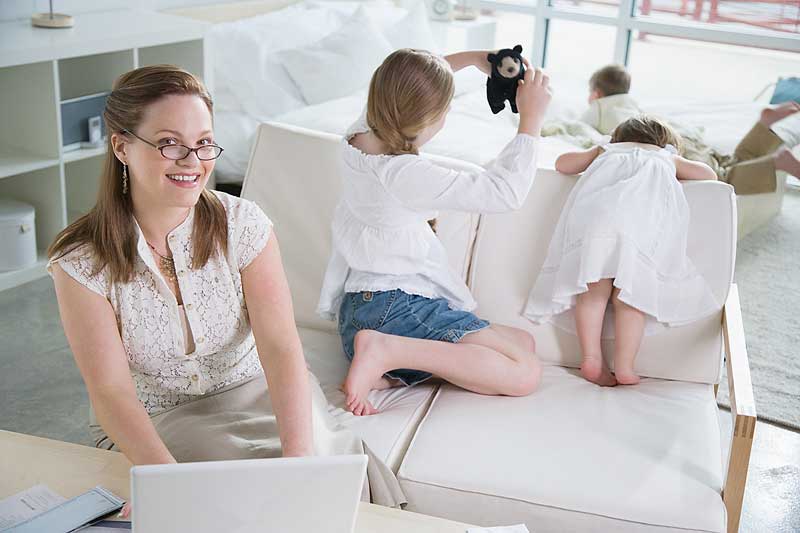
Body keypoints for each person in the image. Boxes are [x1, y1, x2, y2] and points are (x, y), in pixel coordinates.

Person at [48, 65, 403, 513]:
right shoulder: (80, 262)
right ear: (122, 146)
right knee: (231, 489)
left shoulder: (244, 225)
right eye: (169, 143)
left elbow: (280, 347)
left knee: (324, 471)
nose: (192, 161)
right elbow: (111, 392)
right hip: (163, 416)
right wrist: (166, 482)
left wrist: (300, 461)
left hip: (257, 388)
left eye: (202, 143)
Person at [317, 49, 552, 416]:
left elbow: (406, 78)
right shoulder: (404, 174)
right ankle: (386, 352)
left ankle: (389, 367)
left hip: (360, 312)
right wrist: (531, 121)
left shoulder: (357, 138)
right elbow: (502, 192)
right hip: (393, 307)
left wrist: (477, 59)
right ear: (433, 119)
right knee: (525, 372)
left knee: (522, 342)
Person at [524, 115, 719, 386]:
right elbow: (709, 175)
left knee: (592, 294)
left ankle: (591, 359)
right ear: (665, 143)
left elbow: (562, 164)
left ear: (617, 137)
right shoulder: (665, 157)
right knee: (631, 300)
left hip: (594, 228)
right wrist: (673, 162)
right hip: (640, 233)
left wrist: (595, 149)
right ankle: (625, 366)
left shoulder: (607, 151)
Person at [580, 64, 800, 195]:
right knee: (728, 160)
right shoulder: (632, 103)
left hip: (666, 145)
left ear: (597, 94)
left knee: (723, 178)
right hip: (678, 136)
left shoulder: (597, 108)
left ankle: (778, 162)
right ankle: (763, 127)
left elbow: (578, 127)